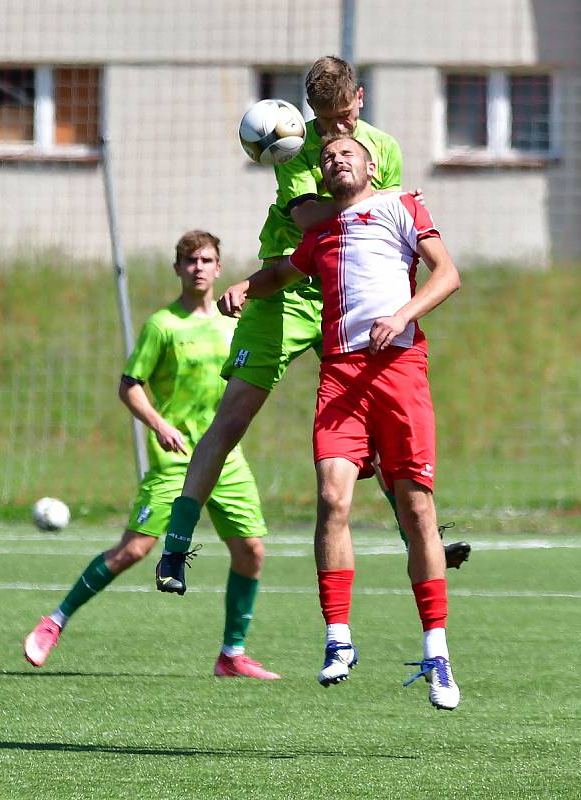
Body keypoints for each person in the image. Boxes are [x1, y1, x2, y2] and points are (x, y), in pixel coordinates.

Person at [155, 55, 470, 596]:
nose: (335, 132)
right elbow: (312, 219)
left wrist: (381, 210)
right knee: (231, 420)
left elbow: (382, 228)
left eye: (344, 118)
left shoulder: (382, 147)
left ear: (360, 100)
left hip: (348, 301)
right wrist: (382, 204)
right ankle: (176, 547)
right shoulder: (294, 142)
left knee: (376, 434)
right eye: (325, 119)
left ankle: (421, 538)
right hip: (285, 285)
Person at [218, 134, 462, 710]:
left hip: (399, 369)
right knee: (332, 499)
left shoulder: (402, 206)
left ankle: (437, 652)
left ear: (370, 164)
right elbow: (280, 274)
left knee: (417, 508)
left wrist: (401, 314)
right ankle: (339, 638)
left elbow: (447, 274)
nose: (335, 159)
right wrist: (243, 288)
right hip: (341, 378)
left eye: (345, 153)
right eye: (327, 157)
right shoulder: (320, 231)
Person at [23, 230, 280, 680]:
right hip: (176, 461)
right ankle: (53, 622)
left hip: (226, 458)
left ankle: (231, 655)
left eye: (206, 260)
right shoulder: (163, 324)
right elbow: (130, 385)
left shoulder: (237, 322)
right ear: (177, 268)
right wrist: (160, 425)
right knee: (134, 550)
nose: (198, 268)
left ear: (220, 268)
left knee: (251, 552)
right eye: (189, 261)